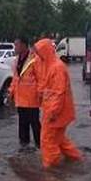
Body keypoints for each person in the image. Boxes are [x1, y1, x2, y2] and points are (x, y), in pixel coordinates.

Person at [33, 38, 82, 168]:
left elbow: (58, 93)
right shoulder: (51, 65)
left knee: (47, 141)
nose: (38, 55)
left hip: (55, 113)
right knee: (59, 140)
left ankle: (51, 170)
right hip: (56, 111)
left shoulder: (56, 68)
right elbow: (48, 89)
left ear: (45, 52)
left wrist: (52, 113)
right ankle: (76, 159)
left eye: (39, 52)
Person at [9, 37, 41, 148]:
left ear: (24, 45)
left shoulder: (34, 60)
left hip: (32, 100)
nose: (15, 47)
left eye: (17, 45)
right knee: (22, 126)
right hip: (20, 99)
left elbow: (41, 79)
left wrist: (40, 95)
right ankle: (24, 148)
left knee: (35, 125)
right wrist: (10, 93)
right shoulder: (16, 61)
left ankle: (40, 147)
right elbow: (15, 79)